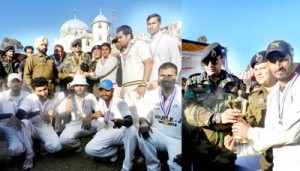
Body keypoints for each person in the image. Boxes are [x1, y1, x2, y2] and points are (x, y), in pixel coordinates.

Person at [225, 40, 300, 171]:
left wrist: (249, 132)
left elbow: (290, 133)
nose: (278, 65)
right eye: (272, 61)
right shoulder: (273, 95)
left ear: (292, 58)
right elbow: (269, 137)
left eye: (282, 59)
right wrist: (240, 148)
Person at [183, 42, 246, 170]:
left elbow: (244, 113)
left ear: (221, 60)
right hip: (201, 151)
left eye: (214, 61)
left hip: (226, 151)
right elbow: (188, 111)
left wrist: (239, 139)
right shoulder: (193, 83)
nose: (210, 65)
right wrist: (217, 117)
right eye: (206, 62)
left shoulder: (235, 83)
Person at [235, 50, 277, 171]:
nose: (258, 73)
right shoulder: (255, 96)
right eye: (256, 69)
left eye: (262, 68)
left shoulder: (289, 91)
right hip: (267, 160)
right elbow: (250, 123)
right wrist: (240, 125)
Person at [137, 62, 182, 171]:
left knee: (176, 166)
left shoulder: (183, 93)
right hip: (158, 135)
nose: (166, 79)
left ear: (176, 77)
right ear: (158, 77)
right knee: (142, 133)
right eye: (162, 75)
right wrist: (143, 122)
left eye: (170, 75)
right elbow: (143, 115)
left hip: (177, 139)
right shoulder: (151, 95)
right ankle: (153, 167)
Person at [85, 79, 136, 171]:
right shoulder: (101, 101)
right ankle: (113, 151)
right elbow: (100, 113)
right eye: (101, 90)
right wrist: (90, 116)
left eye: (107, 90)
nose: (104, 93)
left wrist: (122, 122)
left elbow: (130, 120)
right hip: (109, 129)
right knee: (89, 149)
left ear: (112, 90)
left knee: (131, 130)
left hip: (121, 131)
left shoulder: (120, 102)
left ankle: (127, 166)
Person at [15, 76, 64, 168]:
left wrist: (69, 100)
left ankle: (41, 144)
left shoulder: (53, 95)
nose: (43, 93)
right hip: (31, 126)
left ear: (47, 87)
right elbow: (19, 114)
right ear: (34, 90)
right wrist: (37, 113)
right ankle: (29, 157)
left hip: (45, 126)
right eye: (39, 91)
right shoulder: (30, 98)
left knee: (57, 147)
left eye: (45, 89)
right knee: (25, 123)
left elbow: (68, 93)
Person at [116, 25, 153, 128]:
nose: (118, 40)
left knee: (143, 119)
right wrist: (123, 86)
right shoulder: (122, 51)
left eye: (120, 37)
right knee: (132, 120)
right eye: (117, 38)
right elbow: (125, 70)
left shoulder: (140, 45)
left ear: (128, 36)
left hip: (138, 88)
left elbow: (149, 62)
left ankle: (145, 142)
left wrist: (143, 84)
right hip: (127, 90)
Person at [57, 74, 102, 152]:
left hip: (89, 124)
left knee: (103, 122)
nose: (79, 88)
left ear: (86, 86)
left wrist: (90, 117)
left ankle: (97, 140)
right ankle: (77, 144)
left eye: (82, 85)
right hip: (74, 125)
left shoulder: (90, 96)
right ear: (73, 87)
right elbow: (57, 113)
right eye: (77, 85)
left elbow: (99, 113)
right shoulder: (69, 98)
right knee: (63, 141)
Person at [0, 73, 31, 169]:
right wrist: (9, 115)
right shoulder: (1, 96)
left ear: (21, 83)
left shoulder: (28, 95)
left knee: (17, 150)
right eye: (13, 81)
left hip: (20, 126)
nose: (16, 84)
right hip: (4, 126)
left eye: (18, 81)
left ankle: (13, 151)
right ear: (8, 84)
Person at [146, 13, 181, 90]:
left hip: (165, 85)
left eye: (154, 23)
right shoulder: (148, 44)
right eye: (149, 24)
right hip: (151, 85)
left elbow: (176, 64)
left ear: (160, 24)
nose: (151, 26)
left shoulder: (168, 40)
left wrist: (159, 82)